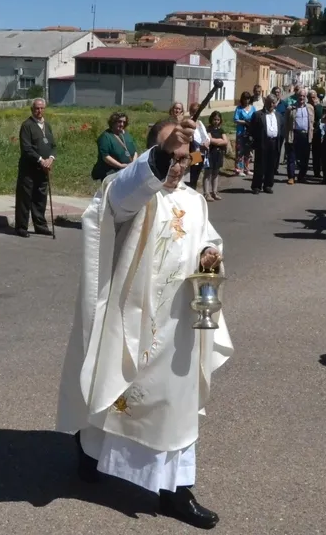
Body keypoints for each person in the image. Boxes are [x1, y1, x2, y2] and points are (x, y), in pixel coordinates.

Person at [55, 117, 233, 530]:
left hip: (179, 328)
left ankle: (174, 490)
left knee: (173, 409)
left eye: (184, 158)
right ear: (153, 154)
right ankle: (90, 448)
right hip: (133, 323)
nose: (179, 165)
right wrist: (159, 154)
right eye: (171, 156)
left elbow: (209, 238)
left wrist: (210, 252)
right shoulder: (133, 192)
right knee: (116, 393)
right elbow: (122, 194)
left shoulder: (193, 200)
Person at [15, 98, 56, 238]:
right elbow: (26, 148)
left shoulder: (47, 126)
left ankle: (40, 225)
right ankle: (21, 227)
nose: (39, 111)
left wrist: (50, 159)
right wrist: (40, 160)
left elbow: (53, 146)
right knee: (25, 198)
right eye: (37, 108)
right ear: (32, 109)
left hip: (44, 169)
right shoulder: (27, 125)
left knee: (40, 198)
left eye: (42, 108)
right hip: (29, 168)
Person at [249, 94, 284, 194]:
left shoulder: (278, 116)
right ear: (265, 102)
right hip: (262, 142)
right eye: (269, 102)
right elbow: (252, 130)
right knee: (260, 165)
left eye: (273, 102)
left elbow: (281, 128)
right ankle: (256, 186)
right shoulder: (257, 115)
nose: (271, 104)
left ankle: (268, 185)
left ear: (276, 103)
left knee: (271, 165)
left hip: (274, 142)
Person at [92, 112, 137, 180]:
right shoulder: (105, 137)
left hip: (127, 171)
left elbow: (134, 151)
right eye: (119, 121)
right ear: (113, 122)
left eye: (124, 122)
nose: (122, 124)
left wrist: (133, 163)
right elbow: (105, 157)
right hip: (111, 173)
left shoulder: (127, 135)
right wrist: (120, 166)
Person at [202, 110, 228, 201]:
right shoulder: (208, 129)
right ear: (211, 120)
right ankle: (206, 193)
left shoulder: (221, 130)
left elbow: (226, 141)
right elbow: (210, 139)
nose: (216, 121)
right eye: (214, 119)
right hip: (210, 153)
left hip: (218, 153)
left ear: (220, 120)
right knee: (208, 173)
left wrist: (217, 141)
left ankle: (214, 192)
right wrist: (220, 141)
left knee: (216, 173)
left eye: (217, 119)